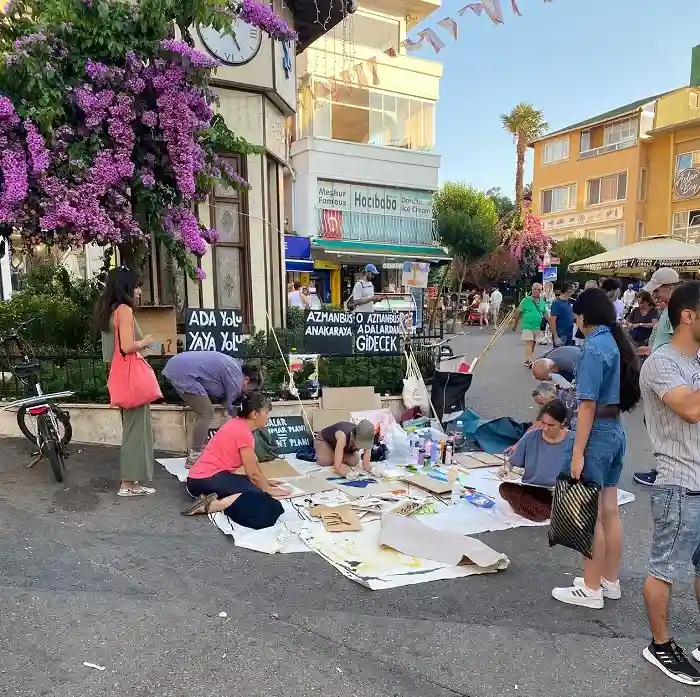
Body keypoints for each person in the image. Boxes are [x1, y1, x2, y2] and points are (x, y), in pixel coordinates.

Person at [551, 287, 641, 609]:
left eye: (576, 314)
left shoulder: (592, 347)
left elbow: (586, 405)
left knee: (588, 512)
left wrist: (577, 453)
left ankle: (590, 589)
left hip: (596, 432)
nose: (575, 319)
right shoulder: (614, 343)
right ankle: (608, 580)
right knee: (609, 509)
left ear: (583, 316)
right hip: (615, 430)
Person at [638, 281, 700, 685]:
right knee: (666, 568)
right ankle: (660, 645)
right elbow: (691, 409)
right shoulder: (663, 363)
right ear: (688, 316)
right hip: (679, 481)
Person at [183, 392, 290, 528]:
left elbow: (254, 464)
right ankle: (212, 505)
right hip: (204, 480)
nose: (268, 417)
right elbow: (253, 473)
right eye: (266, 413)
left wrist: (265, 482)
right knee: (257, 496)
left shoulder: (238, 423)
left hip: (200, 478)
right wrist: (267, 489)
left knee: (257, 487)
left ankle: (211, 499)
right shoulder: (243, 433)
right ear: (254, 414)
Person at [94, 267, 156, 498]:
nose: (139, 291)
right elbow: (129, 346)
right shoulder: (125, 311)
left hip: (119, 377)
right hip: (132, 379)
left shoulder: (110, 312)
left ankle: (131, 482)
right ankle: (129, 484)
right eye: (137, 286)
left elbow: (111, 351)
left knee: (131, 428)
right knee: (135, 431)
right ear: (126, 287)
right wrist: (147, 341)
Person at [163, 353, 263, 467]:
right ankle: (194, 458)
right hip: (182, 371)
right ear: (246, 379)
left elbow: (223, 399)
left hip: (179, 365)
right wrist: (245, 426)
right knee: (206, 413)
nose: (247, 393)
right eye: (250, 389)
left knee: (205, 410)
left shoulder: (234, 367)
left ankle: (201, 451)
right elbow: (230, 406)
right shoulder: (236, 376)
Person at [634, 267, 680, 486]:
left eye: (658, 291)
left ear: (671, 288)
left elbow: (679, 344)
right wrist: (649, 349)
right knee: (659, 425)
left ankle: (666, 473)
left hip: (668, 376)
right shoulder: (670, 309)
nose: (654, 296)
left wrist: (655, 352)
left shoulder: (678, 311)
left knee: (665, 428)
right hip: (662, 373)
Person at [499, 400, 571, 522]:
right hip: (532, 488)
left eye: (551, 425)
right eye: (543, 423)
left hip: (559, 492)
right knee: (505, 488)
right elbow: (512, 462)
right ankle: (545, 511)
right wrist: (505, 469)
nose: (545, 428)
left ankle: (538, 510)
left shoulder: (573, 441)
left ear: (563, 422)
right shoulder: (531, 436)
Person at [512, 282, 548, 368]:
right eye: (534, 289)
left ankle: (528, 359)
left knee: (533, 343)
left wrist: (552, 324)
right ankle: (531, 360)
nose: (536, 291)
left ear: (541, 291)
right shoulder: (526, 300)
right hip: (527, 325)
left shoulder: (542, 302)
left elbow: (546, 314)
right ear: (531, 289)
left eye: (538, 289)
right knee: (529, 342)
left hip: (537, 326)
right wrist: (515, 324)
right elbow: (518, 313)